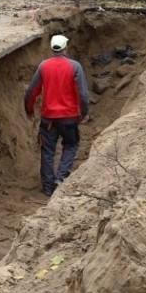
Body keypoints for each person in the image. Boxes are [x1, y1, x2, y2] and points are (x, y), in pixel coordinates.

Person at [24, 34, 90, 196]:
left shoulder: (44, 66)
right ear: (65, 47)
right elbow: (82, 94)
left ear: (52, 48)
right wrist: (84, 112)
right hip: (69, 117)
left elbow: (31, 91)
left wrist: (29, 110)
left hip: (48, 119)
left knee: (47, 151)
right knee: (71, 145)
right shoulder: (75, 66)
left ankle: (47, 187)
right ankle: (60, 178)